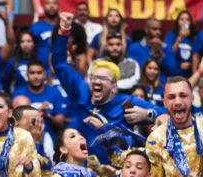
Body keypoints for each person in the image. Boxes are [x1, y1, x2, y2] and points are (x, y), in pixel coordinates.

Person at [53, 12, 163, 165]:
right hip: (85, 170)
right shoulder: (81, 92)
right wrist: (64, 31)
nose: (97, 81)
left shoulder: (126, 102)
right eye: (94, 78)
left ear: (114, 87)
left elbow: (164, 113)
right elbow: (59, 64)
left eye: (103, 79)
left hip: (117, 171)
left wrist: (148, 114)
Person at [29, 0, 60, 69]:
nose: (51, 6)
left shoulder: (65, 27)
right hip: (41, 71)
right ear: (43, 7)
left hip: (61, 69)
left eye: (54, 3)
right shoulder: (35, 27)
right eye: (48, 3)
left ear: (58, 6)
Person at [163, 10, 194, 77]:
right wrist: (180, 37)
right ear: (177, 22)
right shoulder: (171, 35)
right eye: (181, 19)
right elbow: (169, 53)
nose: (184, 22)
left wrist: (190, 64)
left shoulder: (194, 37)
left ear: (190, 22)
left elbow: (196, 56)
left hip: (189, 74)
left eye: (187, 20)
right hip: (174, 74)